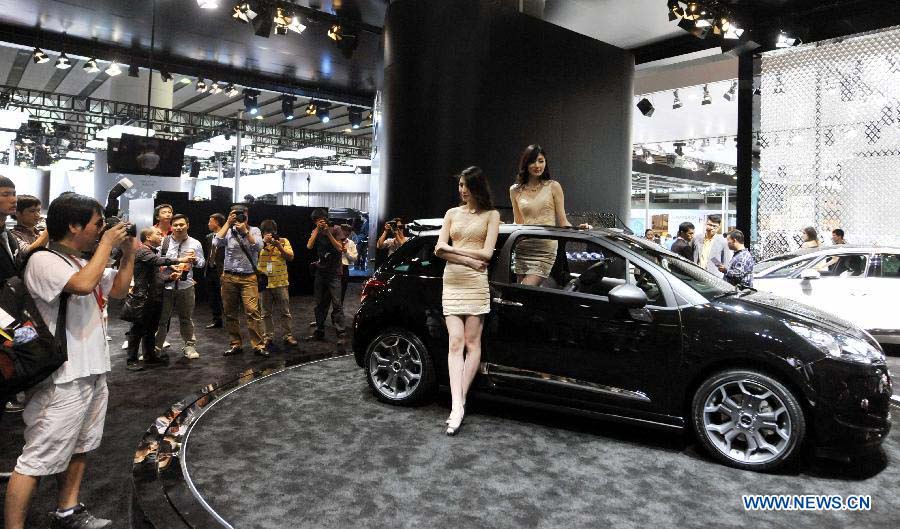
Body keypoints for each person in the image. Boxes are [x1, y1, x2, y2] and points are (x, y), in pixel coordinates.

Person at [5, 192, 135, 529]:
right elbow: (82, 284)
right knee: (37, 457)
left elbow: (117, 290)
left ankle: (67, 510)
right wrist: (108, 244)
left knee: (81, 445)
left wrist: (129, 252)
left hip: (92, 369)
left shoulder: (81, 260)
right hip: (60, 374)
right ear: (74, 226)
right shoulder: (44, 261)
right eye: (96, 224)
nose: (101, 229)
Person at [435, 166, 501, 436]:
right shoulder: (451, 213)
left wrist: (453, 249)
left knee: (473, 344)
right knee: (455, 342)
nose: (462, 190)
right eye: (460, 185)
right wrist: (466, 259)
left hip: (475, 284)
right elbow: (439, 249)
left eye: (466, 185)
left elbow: (486, 254)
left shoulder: (492, 215)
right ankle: (457, 404)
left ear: (477, 187)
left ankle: (457, 405)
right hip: (452, 281)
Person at [509, 144, 589, 286]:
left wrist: (578, 229)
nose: (537, 165)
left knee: (525, 288)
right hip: (523, 246)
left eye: (541, 161)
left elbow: (563, 221)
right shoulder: (515, 190)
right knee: (521, 295)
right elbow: (519, 222)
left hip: (545, 248)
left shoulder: (553, 186)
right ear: (526, 164)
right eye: (533, 161)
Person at [125, 227, 193, 370]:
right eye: (158, 233)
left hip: (153, 297)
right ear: (148, 237)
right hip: (142, 298)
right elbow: (157, 261)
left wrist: (169, 277)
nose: (162, 235)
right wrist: (180, 259)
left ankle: (150, 356)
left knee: (150, 329)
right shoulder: (143, 250)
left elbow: (156, 277)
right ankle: (131, 360)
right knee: (137, 330)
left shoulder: (150, 252)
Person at [213, 205, 267, 357]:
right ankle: (235, 344)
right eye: (234, 214)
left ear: (247, 215)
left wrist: (245, 231)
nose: (238, 217)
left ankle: (258, 345)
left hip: (249, 277)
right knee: (230, 313)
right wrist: (227, 224)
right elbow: (215, 243)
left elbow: (259, 247)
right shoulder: (228, 231)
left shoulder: (254, 230)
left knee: (252, 312)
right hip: (229, 277)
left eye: (241, 214)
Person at [154, 214, 205, 360]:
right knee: (162, 320)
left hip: (186, 286)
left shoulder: (195, 243)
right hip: (166, 286)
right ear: (171, 226)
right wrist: (169, 268)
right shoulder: (164, 242)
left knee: (186, 318)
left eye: (181, 224)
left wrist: (195, 259)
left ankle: (189, 346)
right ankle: (156, 347)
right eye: (175, 225)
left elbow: (202, 263)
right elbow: (156, 261)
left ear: (187, 225)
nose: (178, 227)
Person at [306, 209, 346, 344]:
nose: (319, 222)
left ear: (326, 218)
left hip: (334, 272)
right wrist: (317, 230)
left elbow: (340, 248)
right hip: (320, 272)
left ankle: (341, 333)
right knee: (319, 304)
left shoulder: (336, 229)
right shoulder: (316, 231)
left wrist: (328, 233)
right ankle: (319, 330)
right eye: (316, 221)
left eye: (320, 219)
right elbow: (309, 246)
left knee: (337, 303)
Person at [258, 219, 297, 348]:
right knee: (265, 313)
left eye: (272, 232)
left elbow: (291, 257)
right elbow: (252, 256)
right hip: (264, 283)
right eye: (266, 232)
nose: (269, 234)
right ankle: (267, 336)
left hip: (281, 282)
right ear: (262, 232)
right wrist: (263, 243)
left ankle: (288, 335)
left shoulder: (284, 241)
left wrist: (278, 246)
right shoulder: (257, 243)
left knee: (285, 312)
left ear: (276, 232)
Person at [10, 194, 49, 263]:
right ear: (17, 213)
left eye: (38, 210)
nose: (37, 214)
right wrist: (49, 229)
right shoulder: (13, 235)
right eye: (32, 211)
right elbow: (28, 252)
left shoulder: (41, 232)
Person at [204, 213, 226, 328]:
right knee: (213, 297)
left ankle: (230, 320)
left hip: (222, 270)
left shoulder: (227, 236)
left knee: (225, 297)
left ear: (217, 222)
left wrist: (225, 271)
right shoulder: (208, 237)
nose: (208, 224)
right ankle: (217, 320)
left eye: (210, 221)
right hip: (211, 270)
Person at [339, 224, 358, 305]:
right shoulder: (333, 240)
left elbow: (354, 258)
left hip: (344, 269)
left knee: (342, 292)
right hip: (332, 268)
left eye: (348, 231)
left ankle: (338, 313)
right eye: (344, 230)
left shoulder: (351, 243)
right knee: (328, 294)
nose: (346, 233)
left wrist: (346, 252)